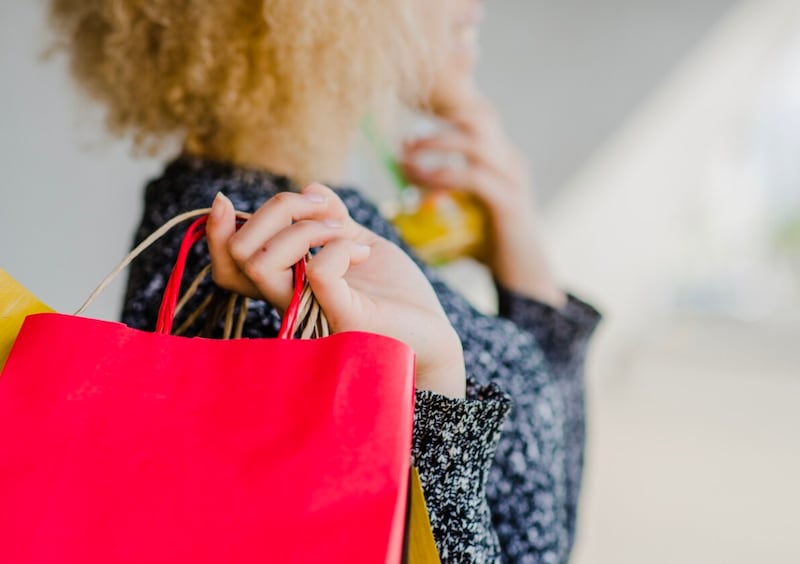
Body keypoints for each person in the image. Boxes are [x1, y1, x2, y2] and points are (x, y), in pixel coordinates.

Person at [50, 0, 601, 561]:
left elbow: (538, 519)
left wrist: (524, 265)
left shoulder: (308, 222)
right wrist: (435, 380)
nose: (474, 7)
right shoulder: (256, 260)